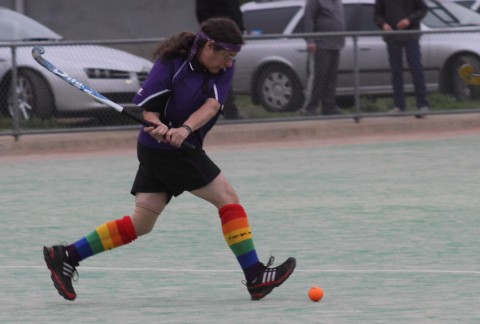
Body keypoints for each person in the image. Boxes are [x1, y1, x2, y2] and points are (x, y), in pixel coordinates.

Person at [42, 17, 295, 302]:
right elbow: (149, 111)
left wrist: (183, 129)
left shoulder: (224, 66)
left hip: (178, 145)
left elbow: (212, 105)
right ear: (209, 46)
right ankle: (255, 275)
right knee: (228, 198)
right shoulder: (170, 64)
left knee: (142, 222)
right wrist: (159, 126)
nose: (228, 64)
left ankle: (65, 255)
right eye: (225, 56)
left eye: (231, 58)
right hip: (165, 151)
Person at [374, 0, 430, 117]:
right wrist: (383, 24)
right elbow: (376, 14)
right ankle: (399, 105)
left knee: (416, 68)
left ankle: (422, 105)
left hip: (411, 36)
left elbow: (423, 9)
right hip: (392, 37)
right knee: (396, 71)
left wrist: (409, 20)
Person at [195, 0, 245, 120]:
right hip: (219, 39)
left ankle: (229, 111)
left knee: (225, 76)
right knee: (213, 77)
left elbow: (235, 13)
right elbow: (203, 15)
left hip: (232, 39)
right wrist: (215, 32)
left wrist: (240, 30)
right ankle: (218, 111)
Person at [303, 0, 345, 116]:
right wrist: (310, 40)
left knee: (331, 79)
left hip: (335, 45)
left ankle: (328, 108)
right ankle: (310, 108)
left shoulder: (338, 2)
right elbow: (308, 19)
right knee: (319, 77)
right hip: (321, 45)